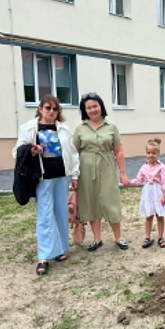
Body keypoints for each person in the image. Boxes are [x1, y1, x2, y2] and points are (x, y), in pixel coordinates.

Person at [12, 95, 80, 276]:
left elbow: (72, 154)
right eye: (48, 108)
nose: (51, 111)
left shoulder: (64, 129)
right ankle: (43, 256)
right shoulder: (28, 129)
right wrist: (32, 152)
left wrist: (75, 175)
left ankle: (59, 250)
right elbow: (16, 152)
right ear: (40, 109)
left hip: (62, 176)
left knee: (61, 212)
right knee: (44, 214)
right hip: (42, 177)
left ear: (58, 112)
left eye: (55, 109)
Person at [72, 92, 129, 252]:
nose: (92, 110)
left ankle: (119, 237)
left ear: (101, 106)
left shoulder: (111, 127)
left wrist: (122, 173)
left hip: (107, 167)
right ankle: (97, 239)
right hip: (86, 169)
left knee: (110, 200)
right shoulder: (80, 129)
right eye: (88, 107)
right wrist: (73, 176)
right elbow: (74, 152)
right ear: (85, 110)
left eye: (95, 106)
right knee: (90, 202)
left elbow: (118, 151)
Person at [127, 138, 165, 249]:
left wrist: (164, 195)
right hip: (148, 193)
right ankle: (147, 237)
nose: (151, 155)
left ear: (158, 154)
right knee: (149, 215)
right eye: (148, 153)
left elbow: (164, 182)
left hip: (158, 192)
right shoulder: (144, 167)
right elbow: (139, 179)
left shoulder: (162, 167)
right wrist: (129, 182)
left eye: (154, 153)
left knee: (159, 215)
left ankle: (160, 237)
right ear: (146, 154)